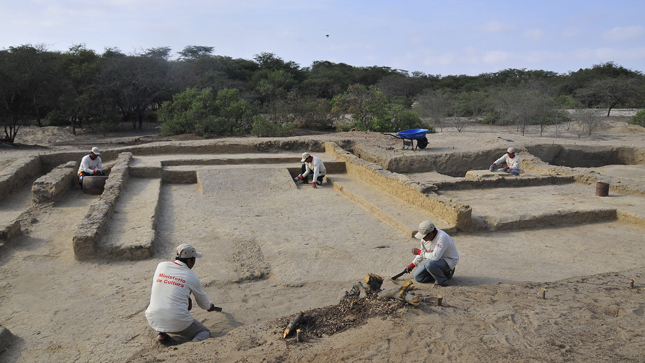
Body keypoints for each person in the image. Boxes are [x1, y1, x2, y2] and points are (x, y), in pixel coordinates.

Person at [145, 244, 220, 343]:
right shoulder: (192, 277)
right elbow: (204, 304)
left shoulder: (161, 266)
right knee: (204, 332)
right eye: (194, 259)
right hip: (177, 322)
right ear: (189, 261)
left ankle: (161, 334)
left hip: (153, 318)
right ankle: (191, 346)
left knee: (164, 299)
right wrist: (210, 307)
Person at [403, 220, 459, 287]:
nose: (422, 239)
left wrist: (419, 252)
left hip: (448, 261)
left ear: (431, 234)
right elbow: (422, 252)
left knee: (429, 264)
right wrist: (412, 265)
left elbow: (435, 257)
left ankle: (442, 281)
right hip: (433, 261)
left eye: (423, 236)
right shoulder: (425, 238)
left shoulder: (442, 237)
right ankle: (442, 274)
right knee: (418, 277)